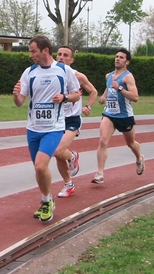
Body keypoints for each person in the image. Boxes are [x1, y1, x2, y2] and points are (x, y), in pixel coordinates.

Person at [12, 35, 81, 222]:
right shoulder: (29, 72)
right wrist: (16, 95)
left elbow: (77, 94)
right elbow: (20, 102)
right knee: (39, 169)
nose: (31, 55)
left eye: (33, 51)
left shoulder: (64, 71)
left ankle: (47, 202)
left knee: (41, 164)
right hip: (33, 128)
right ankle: (46, 200)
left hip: (54, 128)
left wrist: (64, 98)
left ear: (45, 50)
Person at [91, 48, 145, 184]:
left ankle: (139, 158)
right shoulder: (108, 76)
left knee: (130, 143)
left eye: (121, 57)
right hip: (109, 114)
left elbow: (135, 97)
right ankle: (100, 173)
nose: (117, 59)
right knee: (103, 141)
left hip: (124, 115)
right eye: (116, 56)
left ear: (127, 62)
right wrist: (104, 96)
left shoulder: (128, 77)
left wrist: (120, 88)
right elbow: (109, 87)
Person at [54, 46, 98, 198]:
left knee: (58, 150)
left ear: (71, 60)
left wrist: (88, 106)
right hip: (56, 119)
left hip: (72, 119)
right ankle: (68, 184)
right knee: (58, 154)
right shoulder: (51, 74)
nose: (61, 57)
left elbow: (93, 91)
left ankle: (72, 157)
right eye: (59, 54)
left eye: (65, 55)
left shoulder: (78, 76)